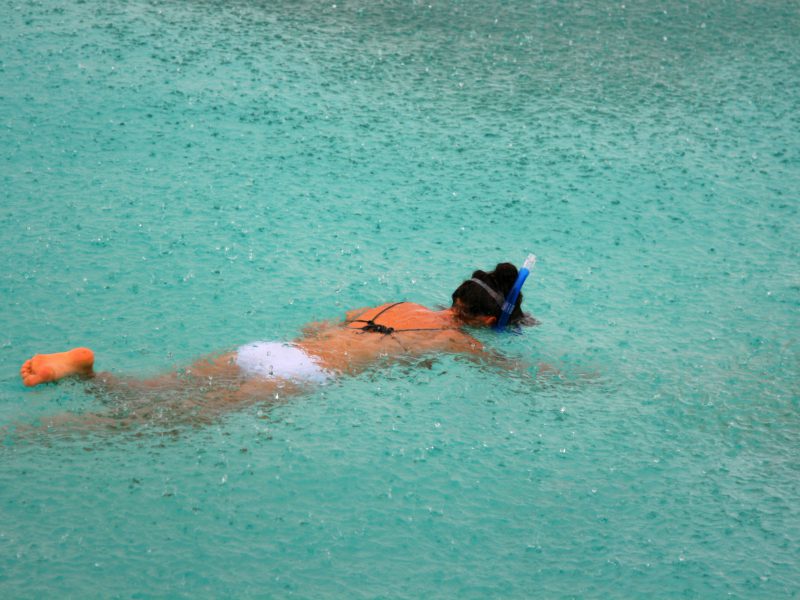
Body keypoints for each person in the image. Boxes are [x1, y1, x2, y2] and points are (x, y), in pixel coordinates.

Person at [19, 263, 535, 426]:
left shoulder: (392, 304)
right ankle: (40, 434)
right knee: (167, 426)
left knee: (156, 390)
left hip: (267, 349)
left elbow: (317, 328)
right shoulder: (451, 340)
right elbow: (517, 377)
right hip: (298, 375)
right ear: (487, 318)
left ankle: (88, 375)